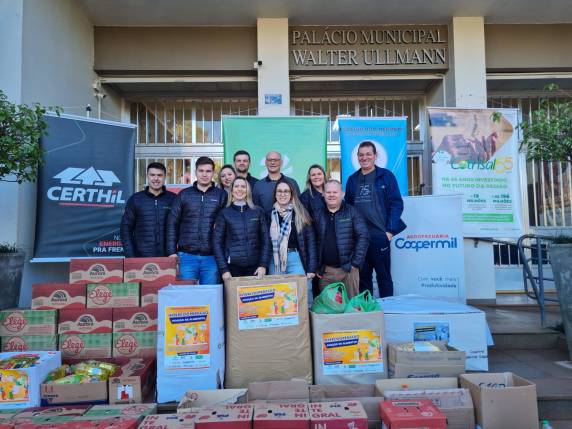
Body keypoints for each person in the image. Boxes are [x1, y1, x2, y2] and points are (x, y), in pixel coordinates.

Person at [345, 141, 406, 298]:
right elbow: (349, 209)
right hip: (360, 239)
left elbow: (396, 204)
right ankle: (369, 313)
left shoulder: (386, 176)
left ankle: (388, 313)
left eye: (368, 154)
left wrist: (390, 231)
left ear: (375, 156)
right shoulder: (352, 180)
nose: (364, 158)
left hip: (381, 236)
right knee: (363, 280)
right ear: (357, 157)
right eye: (361, 155)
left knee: (384, 278)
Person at [166, 156, 228, 284]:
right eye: (201, 171)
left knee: (210, 297)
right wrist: (172, 252)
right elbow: (172, 223)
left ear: (213, 173)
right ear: (196, 172)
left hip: (212, 257)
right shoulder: (184, 194)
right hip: (186, 257)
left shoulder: (221, 195)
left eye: (208, 171)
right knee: (187, 297)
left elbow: (227, 226)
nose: (204, 174)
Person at [314, 180, 369, 298]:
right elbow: (313, 240)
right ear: (323, 194)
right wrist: (316, 266)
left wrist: (355, 263)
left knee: (351, 307)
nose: (331, 195)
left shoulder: (352, 212)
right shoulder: (318, 214)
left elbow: (363, 236)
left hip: (349, 270)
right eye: (328, 192)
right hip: (326, 273)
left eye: (335, 192)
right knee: (330, 308)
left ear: (342, 194)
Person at [268, 180, 318, 303]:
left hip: (296, 259)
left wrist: (311, 268)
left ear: (292, 194)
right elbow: (264, 243)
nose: (282, 194)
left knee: (301, 295)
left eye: (286, 191)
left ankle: (304, 322)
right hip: (275, 261)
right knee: (277, 298)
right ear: (275, 194)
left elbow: (311, 243)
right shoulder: (268, 215)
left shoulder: (301, 214)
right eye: (279, 191)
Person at [213, 177, 270, 279]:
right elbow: (217, 243)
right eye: (236, 186)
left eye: (243, 186)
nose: (240, 189)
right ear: (232, 190)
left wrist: (263, 265)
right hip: (232, 268)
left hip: (255, 267)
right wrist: (224, 270)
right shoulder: (224, 213)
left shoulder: (258, 211)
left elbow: (266, 240)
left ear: (248, 190)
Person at [120, 162, 176, 257]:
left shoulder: (174, 199)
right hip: (141, 257)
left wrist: (174, 253)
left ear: (165, 177)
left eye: (159, 175)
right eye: (152, 175)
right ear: (147, 176)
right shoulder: (135, 199)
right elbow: (125, 229)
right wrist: (130, 256)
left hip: (168, 257)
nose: (156, 178)